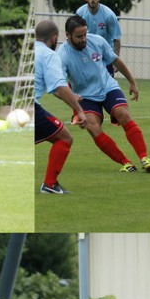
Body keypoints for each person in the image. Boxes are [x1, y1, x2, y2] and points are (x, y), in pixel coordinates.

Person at [58, 15, 150, 173]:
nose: (84, 39)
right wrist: (73, 103)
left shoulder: (97, 41)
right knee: (93, 127)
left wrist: (132, 81)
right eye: (79, 36)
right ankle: (126, 163)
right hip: (85, 96)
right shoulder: (62, 55)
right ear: (68, 35)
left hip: (107, 87)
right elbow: (60, 84)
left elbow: (115, 60)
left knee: (123, 114)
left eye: (85, 34)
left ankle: (145, 158)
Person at [35, 20, 87, 194]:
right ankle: (50, 185)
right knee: (64, 138)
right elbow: (60, 86)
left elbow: (55, 88)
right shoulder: (49, 55)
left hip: (17, 107)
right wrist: (79, 111)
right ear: (54, 38)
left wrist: (71, 97)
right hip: (30, 109)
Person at [75, 0, 122, 75]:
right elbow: (74, 35)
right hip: (86, 54)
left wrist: (116, 59)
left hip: (105, 56)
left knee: (107, 86)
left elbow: (116, 39)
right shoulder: (80, 13)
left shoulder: (109, 15)